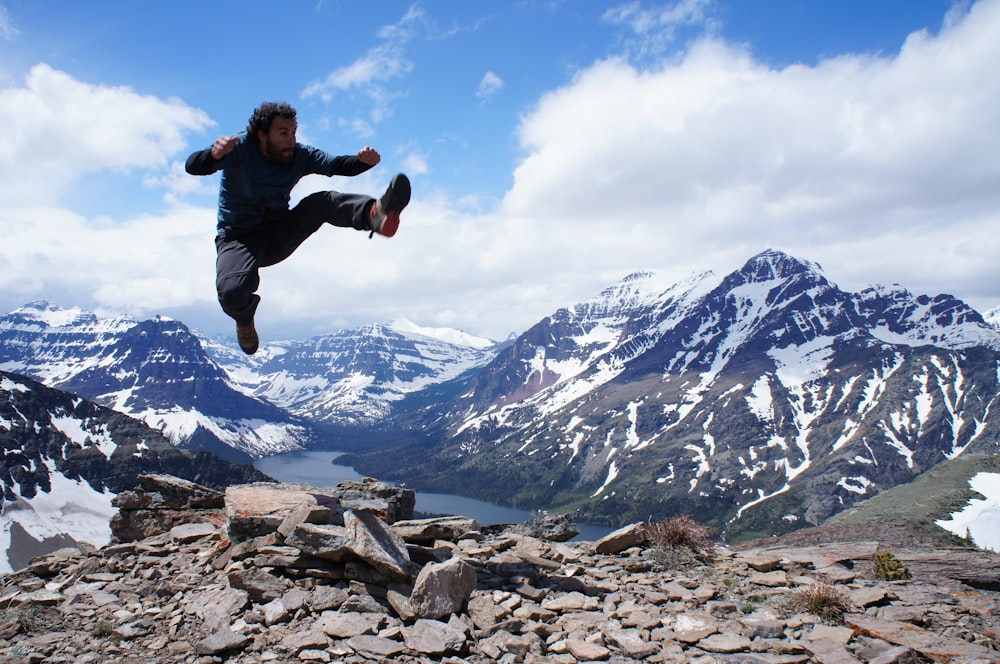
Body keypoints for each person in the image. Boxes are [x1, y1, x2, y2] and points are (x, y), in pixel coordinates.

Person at [185, 101, 410, 355]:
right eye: (283, 133)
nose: (291, 139)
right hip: (238, 239)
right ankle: (244, 320)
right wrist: (213, 155)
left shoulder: (299, 155)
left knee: (320, 202)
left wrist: (363, 162)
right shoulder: (240, 148)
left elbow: (336, 165)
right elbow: (193, 165)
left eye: (294, 132)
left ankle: (374, 215)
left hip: (279, 232)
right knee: (233, 293)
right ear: (261, 135)